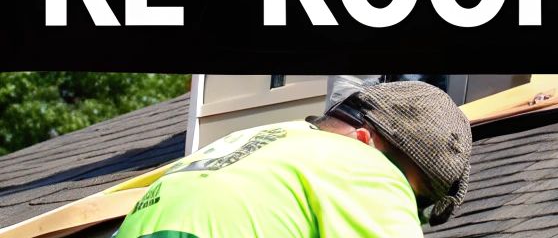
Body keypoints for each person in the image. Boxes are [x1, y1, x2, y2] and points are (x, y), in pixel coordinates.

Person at [115, 80, 472, 238]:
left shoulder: (251, 142)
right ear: (365, 139)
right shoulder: (365, 163)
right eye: (417, 200)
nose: (408, 213)